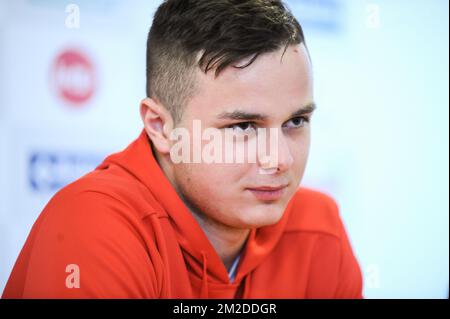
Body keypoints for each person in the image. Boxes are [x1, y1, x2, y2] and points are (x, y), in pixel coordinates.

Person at [2, 0, 363, 298]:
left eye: (295, 122)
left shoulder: (318, 228)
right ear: (161, 128)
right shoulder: (92, 226)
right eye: (242, 127)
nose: (280, 159)